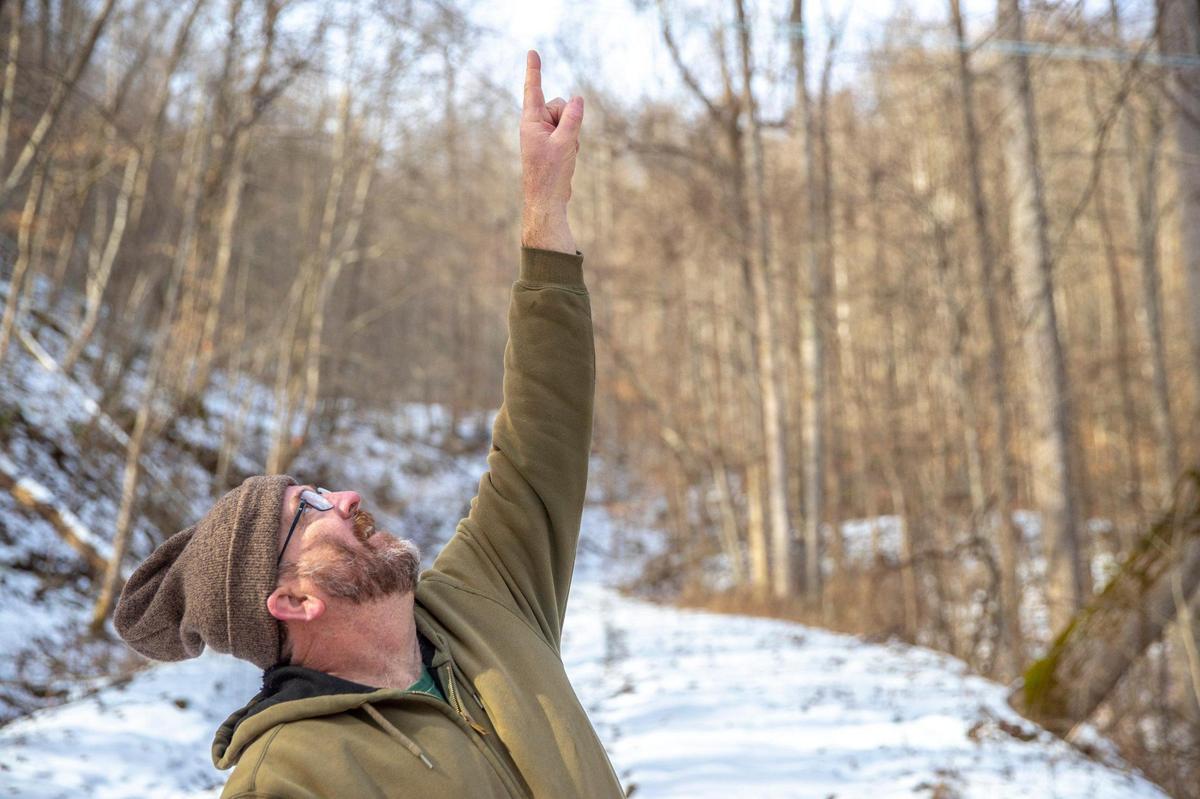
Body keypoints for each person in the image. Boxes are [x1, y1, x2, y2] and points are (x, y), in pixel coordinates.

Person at [113, 50, 625, 799]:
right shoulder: (289, 774)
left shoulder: (485, 600)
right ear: (291, 601)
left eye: (322, 489)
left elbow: (542, 435)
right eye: (311, 510)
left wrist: (544, 210)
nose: (346, 498)